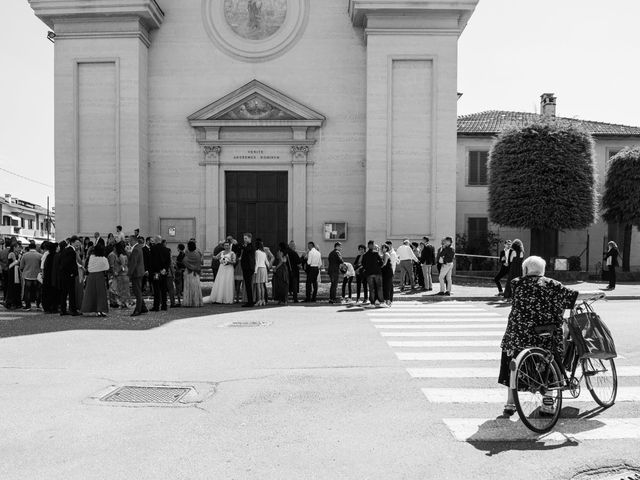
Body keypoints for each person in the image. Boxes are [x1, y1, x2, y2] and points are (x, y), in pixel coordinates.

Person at [499, 256, 581, 416]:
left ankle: (510, 403)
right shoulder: (553, 284)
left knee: (511, 358)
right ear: (542, 271)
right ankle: (548, 403)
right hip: (545, 334)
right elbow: (572, 297)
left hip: (520, 335)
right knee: (552, 357)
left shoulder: (516, 283)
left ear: (525, 270)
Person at [81, 243, 110, 316]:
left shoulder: (91, 257)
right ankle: (101, 310)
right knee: (101, 294)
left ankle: (89, 309)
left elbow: (89, 267)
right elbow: (107, 268)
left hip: (91, 276)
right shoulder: (104, 259)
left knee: (90, 293)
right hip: (100, 276)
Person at [206, 240, 236, 304]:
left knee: (227, 282)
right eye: (225, 245)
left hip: (229, 269)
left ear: (229, 246)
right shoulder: (222, 252)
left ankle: (227, 298)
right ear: (223, 246)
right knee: (221, 282)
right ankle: (219, 298)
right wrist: (211, 255)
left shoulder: (232, 253)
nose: (226, 246)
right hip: (222, 268)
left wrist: (228, 262)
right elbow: (216, 258)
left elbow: (234, 262)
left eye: (227, 245)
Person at [59, 236, 81, 316]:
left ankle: (63, 310)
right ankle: (73, 310)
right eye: (77, 243)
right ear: (72, 242)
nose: (78, 244)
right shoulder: (71, 251)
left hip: (64, 274)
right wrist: (72, 273)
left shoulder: (65, 250)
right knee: (71, 293)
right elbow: (68, 263)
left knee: (64, 292)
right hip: (69, 275)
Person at [20, 242, 42, 311]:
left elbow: (21, 266)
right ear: (35, 247)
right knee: (37, 291)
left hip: (27, 275)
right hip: (37, 275)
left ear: (29, 248)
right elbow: (41, 266)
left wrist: (23, 270)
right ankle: (38, 305)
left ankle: (28, 305)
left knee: (27, 291)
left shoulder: (25, 255)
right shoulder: (40, 255)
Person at [149, 236, 170, 311]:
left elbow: (152, 262)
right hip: (163, 272)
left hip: (156, 272)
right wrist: (165, 269)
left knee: (156, 289)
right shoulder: (166, 250)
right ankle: (164, 305)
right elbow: (168, 261)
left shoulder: (153, 249)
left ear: (156, 240)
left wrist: (152, 271)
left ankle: (156, 306)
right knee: (163, 289)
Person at [128, 236, 147, 316]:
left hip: (136, 273)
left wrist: (129, 274)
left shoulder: (135, 249)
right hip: (139, 272)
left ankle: (138, 310)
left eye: (129, 240)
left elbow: (133, 263)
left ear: (133, 240)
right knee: (138, 290)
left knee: (137, 292)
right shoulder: (138, 247)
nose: (128, 242)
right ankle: (143, 307)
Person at [362, 241, 384, 307]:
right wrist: (377, 266)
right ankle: (382, 302)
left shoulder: (365, 255)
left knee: (371, 289)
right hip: (377, 272)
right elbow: (381, 262)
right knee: (379, 288)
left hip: (369, 273)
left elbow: (363, 264)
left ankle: (372, 303)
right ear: (373, 245)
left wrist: (368, 268)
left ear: (368, 246)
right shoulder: (376, 253)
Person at [182, 240, 203, 307]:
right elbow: (199, 262)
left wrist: (190, 266)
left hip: (188, 272)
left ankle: (188, 302)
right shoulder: (197, 254)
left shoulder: (187, 254)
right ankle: (197, 302)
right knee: (196, 288)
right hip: (196, 273)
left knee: (188, 288)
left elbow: (184, 261)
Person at [42, 241, 59, 313]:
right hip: (54, 277)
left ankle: (47, 308)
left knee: (46, 293)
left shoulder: (48, 256)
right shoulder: (56, 255)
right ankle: (54, 307)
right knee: (54, 293)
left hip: (47, 277)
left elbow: (44, 267)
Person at [239, 233, 256, 307]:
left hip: (249, 268)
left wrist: (242, 246)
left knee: (248, 285)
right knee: (247, 285)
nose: (244, 240)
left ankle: (250, 302)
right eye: (244, 238)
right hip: (246, 268)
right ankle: (250, 301)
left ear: (250, 238)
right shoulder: (247, 246)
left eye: (246, 238)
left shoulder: (251, 246)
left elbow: (247, 250)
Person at [4, 242, 23, 309]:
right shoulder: (12, 253)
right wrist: (20, 257)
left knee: (16, 286)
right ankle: (11, 302)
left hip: (15, 270)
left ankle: (15, 302)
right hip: (12, 271)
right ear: (14, 247)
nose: (19, 248)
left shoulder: (15, 253)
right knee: (12, 286)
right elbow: (16, 262)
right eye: (18, 247)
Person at [113, 241, 130, 308]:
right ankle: (125, 302)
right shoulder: (125, 255)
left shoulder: (120, 256)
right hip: (125, 274)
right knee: (125, 290)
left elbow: (122, 265)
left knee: (122, 290)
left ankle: (123, 303)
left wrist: (117, 271)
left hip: (122, 274)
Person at [253, 239, 270, 306]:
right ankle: (263, 300)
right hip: (264, 269)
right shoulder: (264, 253)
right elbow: (267, 262)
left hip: (259, 268)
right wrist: (269, 268)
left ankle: (259, 300)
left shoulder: (257, 252)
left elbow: (257, 262)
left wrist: (255, 271)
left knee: (258, 286)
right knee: (262, 285)